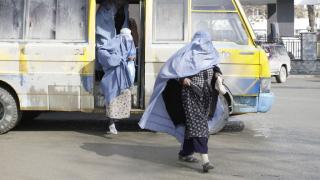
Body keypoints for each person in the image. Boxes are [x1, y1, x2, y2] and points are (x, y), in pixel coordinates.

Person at [139, 31, 225, 173]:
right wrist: (182, 79)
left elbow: (215, 68)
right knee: (199, 127)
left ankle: (185, 153)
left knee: (192, 126)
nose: (205, 46)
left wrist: (218, 76)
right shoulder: (185, 56)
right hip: (190, 96)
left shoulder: (211, 54)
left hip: (206, 97)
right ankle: (206, 161)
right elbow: (170, 72)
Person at [96, 0, 129, 134]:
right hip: (111, 68)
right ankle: (111, 122)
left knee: (121, 92)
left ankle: (114, 120)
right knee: (111, 92)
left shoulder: (123, 11)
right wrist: (116, 58)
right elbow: (103, 47)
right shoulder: (106, 11)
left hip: (120, 68)